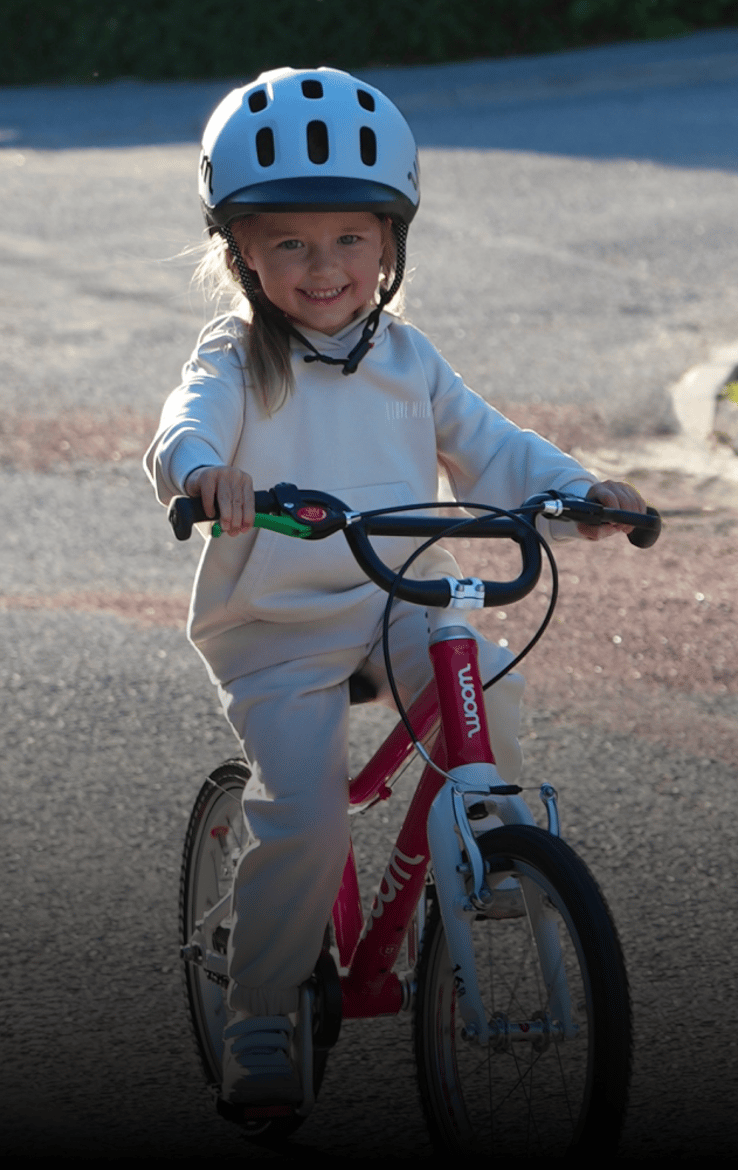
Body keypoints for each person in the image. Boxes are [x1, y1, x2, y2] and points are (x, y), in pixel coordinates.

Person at [145, 65, 646, 1108]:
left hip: (398, 600)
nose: (322, 266)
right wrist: (202, 474)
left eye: (350, 239)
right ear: (238, 252)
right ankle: (261, 1012)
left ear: (391, 243)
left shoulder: (411, 360)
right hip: (277, 625)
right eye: (289, 242)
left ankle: (493, 859)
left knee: (489, 673)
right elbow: (184, 423)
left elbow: (492, 449)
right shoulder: (239, 360)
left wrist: (576, 491)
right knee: (308, 816)